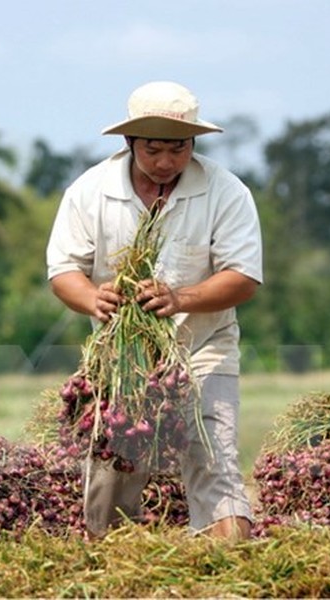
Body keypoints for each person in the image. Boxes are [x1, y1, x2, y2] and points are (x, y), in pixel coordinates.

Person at [46, 81, 263, 540]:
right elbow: (63, 270)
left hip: (203, 346)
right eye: (154, 149)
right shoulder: (90, 191)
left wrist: (179, 298)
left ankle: (235, 568)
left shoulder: (226, 192)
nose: (167, 162)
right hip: (124, 358)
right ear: (129, 143)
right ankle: (111, 563)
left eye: (179, 149)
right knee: (114, 465)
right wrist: (92, 298)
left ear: (194, 144)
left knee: (214, 456)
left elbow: (243, 277)